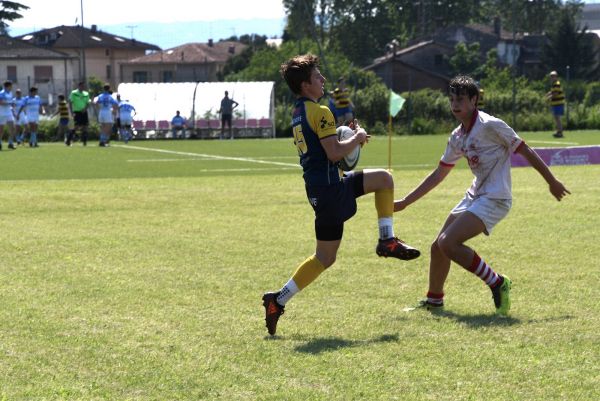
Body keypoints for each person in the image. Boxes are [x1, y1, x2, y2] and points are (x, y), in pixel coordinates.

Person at [262, 54, 420, 336]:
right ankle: (386, 240)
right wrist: (356, 139)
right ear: (304, 84)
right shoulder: (320, 111)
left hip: (321, 187)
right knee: (383, 181)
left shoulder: (298, 112)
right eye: (317, 77)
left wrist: (351, 139)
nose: (323, 80)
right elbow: (335, 152)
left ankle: (278, 300)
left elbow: (330, 152)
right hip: (331, 189)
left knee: (325, 256)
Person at [394, 75, 570, 316]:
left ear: (474, 100)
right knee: (438, 246)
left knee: (448, 242)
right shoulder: (457, 136)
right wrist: (405, 201)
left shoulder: (490, 125)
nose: (455, 105)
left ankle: (498, 282)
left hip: (496, 197)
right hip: (476, 195)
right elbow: (438, 174)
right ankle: (434, 300)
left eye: (461, 99)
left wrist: (552, 181)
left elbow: (525, 149)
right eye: (452, 99)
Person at [69, 81, 91, 146]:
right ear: (78, 86)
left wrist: (85, 109)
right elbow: (70, 102)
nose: (82, 87)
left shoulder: (86, 94)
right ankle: (68, 140)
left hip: (84, 112)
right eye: (81, 86)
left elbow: (88, 103)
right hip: (77, 112)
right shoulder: (74, 93)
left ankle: (84, 142)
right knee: (76, 127)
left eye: (83, 86)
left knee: (85, 127)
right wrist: (71, 111)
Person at [546, 71, 565, 138]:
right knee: (556, 118)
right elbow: (553, 91)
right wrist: (549, 93)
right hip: (556, 104)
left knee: (557, 118)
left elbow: (555, 93)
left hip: (558, 103)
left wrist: (549, 97)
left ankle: (560, 132)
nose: (552, 77)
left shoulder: (556, 83)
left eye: (553, 76)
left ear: (556, 77)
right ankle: (558, 131)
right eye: (551, 76)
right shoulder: (554, 84)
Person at [0, 80, 16, 151]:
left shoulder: (10, 93)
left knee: (12, 128)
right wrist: (10, 103)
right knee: (1, 130)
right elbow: (1, 102)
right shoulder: (2, 93)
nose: (12, 87)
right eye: (11, 86)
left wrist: (12, 105)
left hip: (9, 112)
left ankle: (10, 143)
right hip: (2, 113)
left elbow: (10, 102)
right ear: (8, 86)